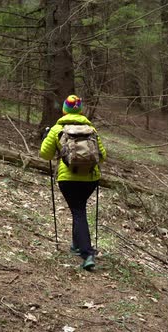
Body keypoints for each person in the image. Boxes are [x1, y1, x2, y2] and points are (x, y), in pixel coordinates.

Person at [39, 95, 106, 270]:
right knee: (79, 209)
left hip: (68, 179)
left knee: (78, 211)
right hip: (90, 179)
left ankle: (87, 253)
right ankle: (77, 246)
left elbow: (45, 155)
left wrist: (46, 137)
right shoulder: (91, 130)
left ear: (64, 110)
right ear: (80, 110)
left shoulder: (57, 129)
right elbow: (103, 156)